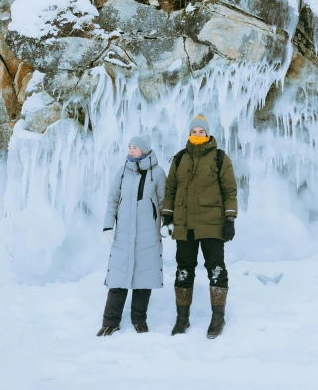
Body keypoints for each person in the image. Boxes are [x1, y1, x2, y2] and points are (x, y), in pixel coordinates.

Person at [162, 114, 238, 339]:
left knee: (216, 268)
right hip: (185, 225)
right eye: (194, 131)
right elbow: (170, 190)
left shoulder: (219, 158)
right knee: (184, 269)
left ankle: (218, 317)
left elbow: (230, 190)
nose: (197, 135)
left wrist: (230, 219)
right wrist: (167, 217)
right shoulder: (179, 158)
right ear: (190, 133)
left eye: (201, 131)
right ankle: (182, 318)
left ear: (208, 133)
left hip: (212, 225)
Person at [97, 134, 166, 336]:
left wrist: (167, 224)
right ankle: (110, 321)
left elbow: (164, 203)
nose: (131, 150)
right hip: (124, 234)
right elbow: (112, 201)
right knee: (118, 276)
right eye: (129, 147)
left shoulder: (158, 173)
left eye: (135, 147)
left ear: (144, 150)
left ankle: (139, 319)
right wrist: (108, 226)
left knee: (144, 278)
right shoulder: (122, 172)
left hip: (148, 234)